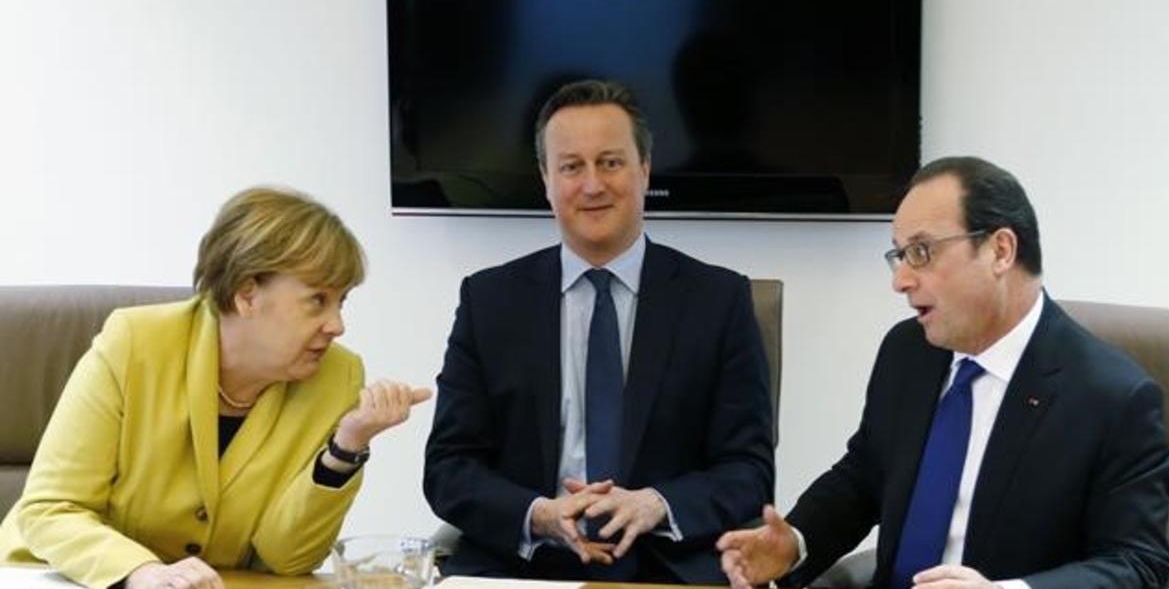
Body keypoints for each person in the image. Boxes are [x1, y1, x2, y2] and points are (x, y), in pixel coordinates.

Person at [718, 156, 1169, 589]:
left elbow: (1136, 564)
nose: (900, 280)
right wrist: (794, 544)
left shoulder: (1112, 397)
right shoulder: (908, 351)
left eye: (922, 251)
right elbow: (863, 479)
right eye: (899, 256)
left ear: (1000, 250)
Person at [424, 79, 774, 584]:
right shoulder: (490, 301)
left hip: (667, 567)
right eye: (571, 167)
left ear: (644, 170)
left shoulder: (718, 300)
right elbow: (448, 468)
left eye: (610, 162)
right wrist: (538, 514)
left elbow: (749, 469)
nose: (592, 185)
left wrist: (658, 504)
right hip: (526, 566)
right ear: (546, 180)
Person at [0, 187, 432, 589]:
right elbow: (50, 511)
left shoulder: (337, 377)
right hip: (64, 577)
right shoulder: (134, 344)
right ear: (247, 294)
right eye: (318, 301)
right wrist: (141, 571)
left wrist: (346, 447)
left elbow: (286, 559)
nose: (337, 325)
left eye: (342, 303)